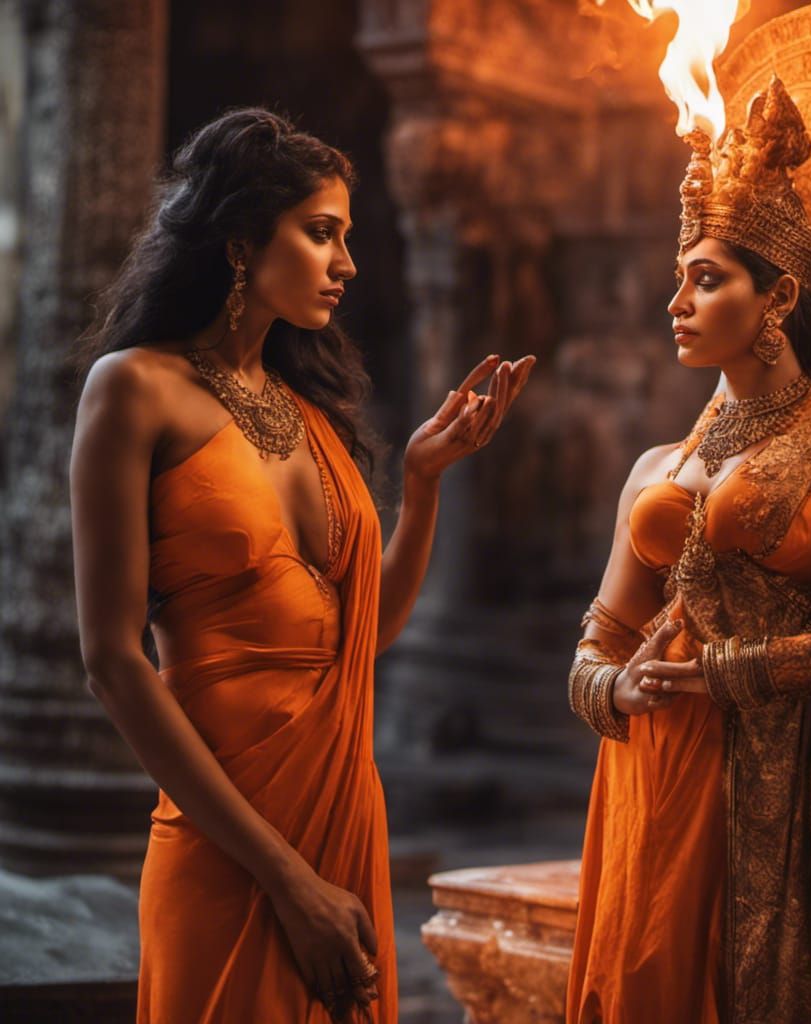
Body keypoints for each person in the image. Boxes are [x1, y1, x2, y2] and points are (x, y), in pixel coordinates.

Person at [69, 107, 534, 1024]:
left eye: (347, 237)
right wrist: (287, 882)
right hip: (232, 848)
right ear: (242, 243)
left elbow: (368, 631)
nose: (346, 263)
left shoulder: (310, 413)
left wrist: (423, 480)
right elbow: (113, 662)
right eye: (322, 233)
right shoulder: (133, 388)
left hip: (342, 819)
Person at [564, 77, 811, 1023]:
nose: (676, 301)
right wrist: (614, 688)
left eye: (706, 278)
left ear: (779, 296)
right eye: (679, 276)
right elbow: (597, 639)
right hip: (650, 770)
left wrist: (743, 670)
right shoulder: (659, 462)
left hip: (781, 769)